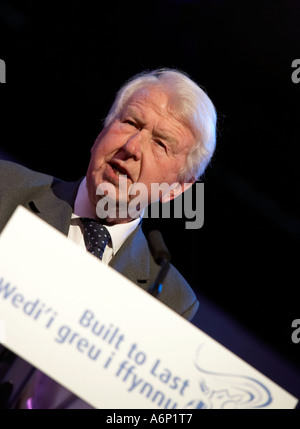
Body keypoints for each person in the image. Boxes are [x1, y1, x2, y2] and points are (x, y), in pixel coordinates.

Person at [0, 68, 217, 408]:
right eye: (130, 123)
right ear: (101, 131)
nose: (132, 147)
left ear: (177, 188)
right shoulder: (5, 186)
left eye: (160, 143)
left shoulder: (170, 300)